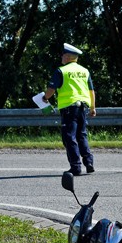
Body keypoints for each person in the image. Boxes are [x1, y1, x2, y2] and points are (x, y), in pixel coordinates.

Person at [42, 43, 96, 176]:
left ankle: (76, 167)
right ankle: (89, 163)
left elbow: (51, 89)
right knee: (82, 135)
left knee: (69, 137)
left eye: (62, 55)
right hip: (83, 107)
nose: (61, 57)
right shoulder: (85, 71)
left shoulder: (61, 71)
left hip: (69, 109)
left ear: (67, 56)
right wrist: (93, 107)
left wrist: (45, 98)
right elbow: (91, 90)